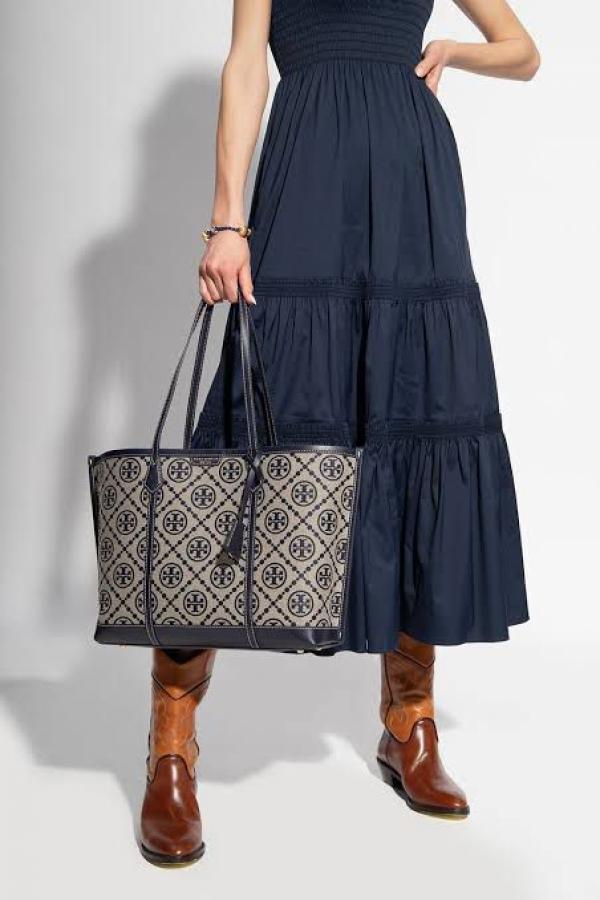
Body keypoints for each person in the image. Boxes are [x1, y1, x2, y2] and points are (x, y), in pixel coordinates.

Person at [139, 0, 540, 866]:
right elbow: (246, 65)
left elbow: (523, 52)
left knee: (414, 413)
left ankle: (409, 722)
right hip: (308, 170)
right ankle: (171, 742)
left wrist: (453, 51)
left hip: (412, 176)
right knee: (246, 442)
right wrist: (227, 220)